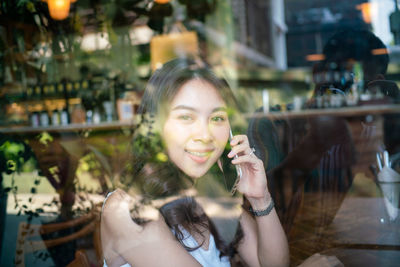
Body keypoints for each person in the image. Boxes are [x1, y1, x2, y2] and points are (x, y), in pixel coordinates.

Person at [101, 58, 290, 267]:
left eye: (217, 118)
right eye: (186, 117)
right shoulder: (124, 209)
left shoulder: (212, 193)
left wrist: (260, 198)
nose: (205, 135)